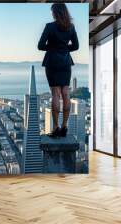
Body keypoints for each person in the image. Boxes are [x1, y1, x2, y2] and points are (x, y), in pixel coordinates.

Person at [38, 3, 79, 138]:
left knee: (55, 93)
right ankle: (64, 126)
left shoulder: (50, 26)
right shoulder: (71, 27)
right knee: (66, 93)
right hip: (66, 62)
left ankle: (56, 127)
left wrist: (53, 47)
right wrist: (63, 48)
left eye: (52, 12)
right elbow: (76, 46)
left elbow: (40, 46)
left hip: (52, 62)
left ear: (55, 13)